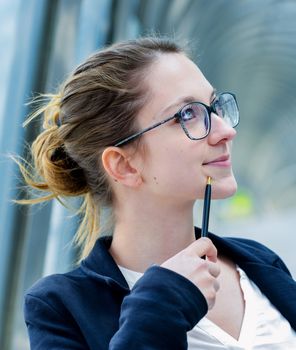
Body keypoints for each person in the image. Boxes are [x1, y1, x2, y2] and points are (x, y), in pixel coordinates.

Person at [20, 36, 296, 349]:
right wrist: (161, 306)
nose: (225, 131)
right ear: (123, 165)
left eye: (214, 106)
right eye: (188, 114)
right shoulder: (62, 308)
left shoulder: (259, 263)